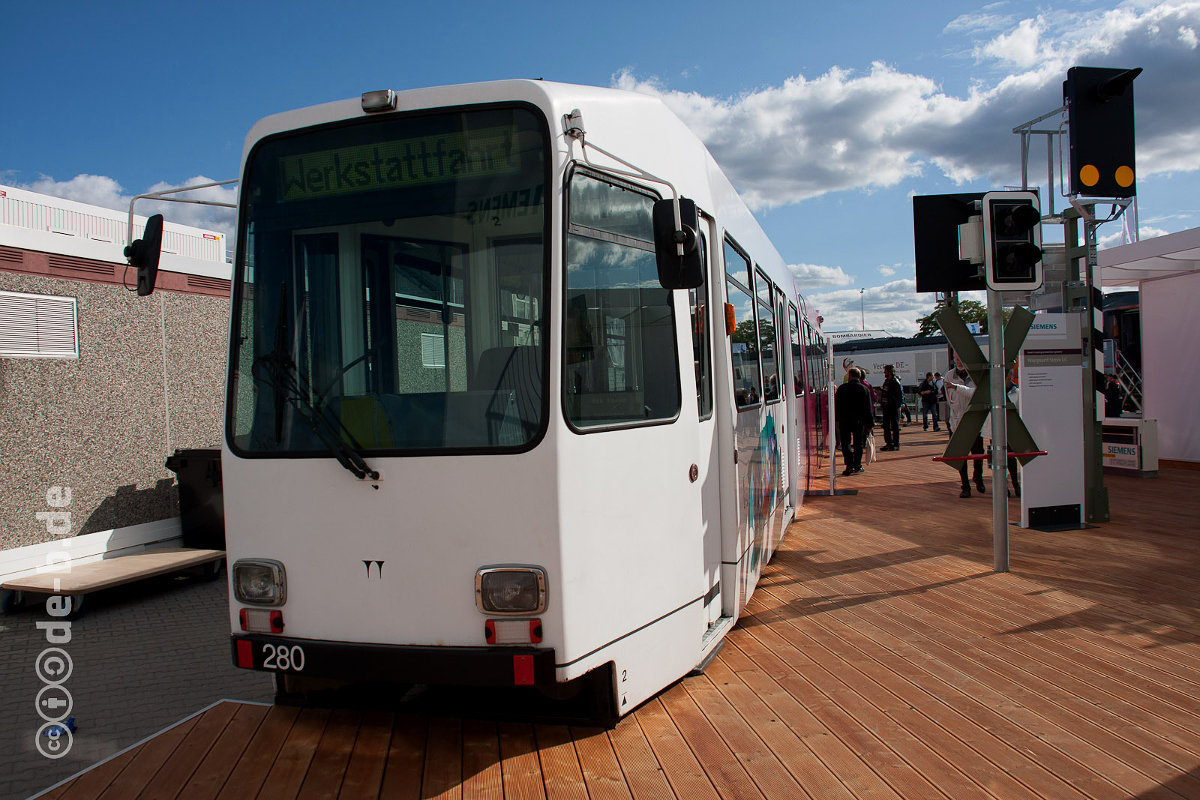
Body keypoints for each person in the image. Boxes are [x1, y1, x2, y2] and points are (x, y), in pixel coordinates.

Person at [943, 354, 985, 498]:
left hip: (974, 423)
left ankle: (978, 478)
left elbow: (976, 394)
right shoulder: (949, 376)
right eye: (956, 358)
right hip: (957, 423)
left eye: (961, 358)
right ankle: (965, 486)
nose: (958, 361)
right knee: (960, 456)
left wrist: (957, 387)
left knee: (978, 454)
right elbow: (951, 401)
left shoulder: (975, 376)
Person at [835, 367, 874, 475]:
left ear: (850, 376)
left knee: (846, 443)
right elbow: (868, 408)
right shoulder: (864, 389)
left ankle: (849, 465)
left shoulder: (842, 388)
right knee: (858, 444)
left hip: (845, 421)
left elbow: (837, 406)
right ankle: (858, 465)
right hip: (859, 421)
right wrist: (870, 424)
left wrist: (836, 420)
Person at [879, 364, 903, 451]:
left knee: (895, 425)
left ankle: (896, 444)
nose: (884, 372)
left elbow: (899, 395)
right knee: (886, 425)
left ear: (889, 372)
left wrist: (897, 405)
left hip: (893, 407)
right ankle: (889, 443)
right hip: (886, 406)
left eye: (885, 371)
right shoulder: (887, 381)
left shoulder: (895, 382)